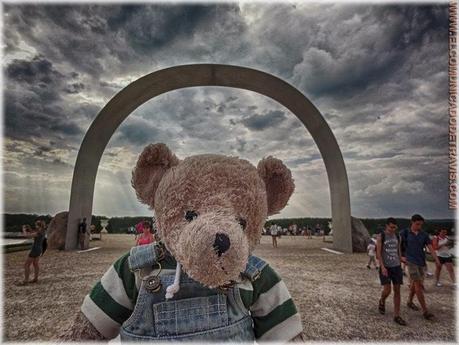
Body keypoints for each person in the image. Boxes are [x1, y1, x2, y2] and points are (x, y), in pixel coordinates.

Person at [401, 214, 440, 321]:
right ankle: (425, 311)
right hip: (411, 262)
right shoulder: (404, 233)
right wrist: (401, 257)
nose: (419, 226)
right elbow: (398, 246)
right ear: (412, 222)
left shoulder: (424, 234)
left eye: (421, 225)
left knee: (415, 284)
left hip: (421, 262)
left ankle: (409, 301)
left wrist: (436, 260)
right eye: (417, 224)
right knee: (418, 285)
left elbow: (430, 247)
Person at [376, 218, 406, 326]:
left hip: (396, 266)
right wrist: (382, 267)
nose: (393, 229)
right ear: (387, 226)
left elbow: (398, 251)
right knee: (387, 290)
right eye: (391, 227)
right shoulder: (381, 236)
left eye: (395, 227)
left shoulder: (398, 236)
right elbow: (378, 253)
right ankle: (382, 300)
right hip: (386, 266)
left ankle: (397, 315)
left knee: (397, 290)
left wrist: (401, 261)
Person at [19, 220, 46, 285]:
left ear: (38, 225)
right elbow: (34, 233)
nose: (35, 226)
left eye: (36, 225)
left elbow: (27, 236)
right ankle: (35, 278)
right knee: (35, 264)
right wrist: (30, 229)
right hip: (39, 249)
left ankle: (26, 281)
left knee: (26, 265)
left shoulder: (38, 233)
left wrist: (24, 229)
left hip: (34, 249)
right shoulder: (43, 232)